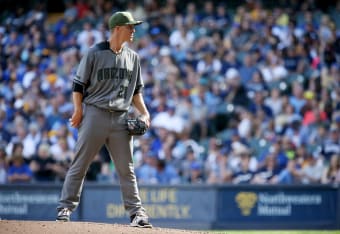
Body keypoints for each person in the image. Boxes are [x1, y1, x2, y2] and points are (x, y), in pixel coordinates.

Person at [56, 11, 152, 228]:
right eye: (130, 26)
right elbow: (78, 85)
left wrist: (145, 113)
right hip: (95, 114)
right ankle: (65, 207)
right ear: (117, 28)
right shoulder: (94, 53)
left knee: (127, 169)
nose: (133, 30)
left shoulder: (133, 58)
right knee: (80, 164)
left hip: (120, 118)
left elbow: (136, 92)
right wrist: (78, 109)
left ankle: (137, 214)